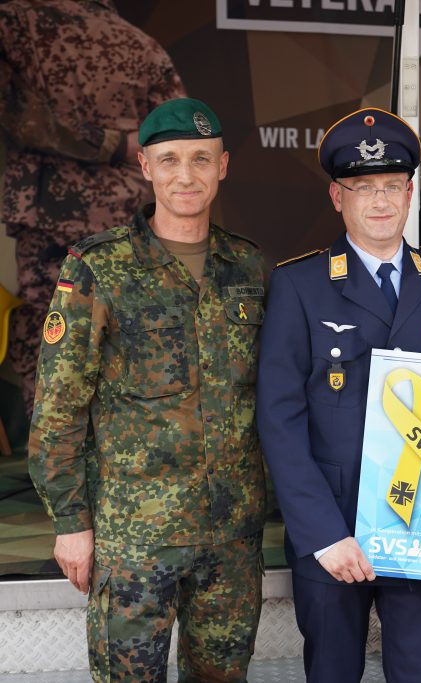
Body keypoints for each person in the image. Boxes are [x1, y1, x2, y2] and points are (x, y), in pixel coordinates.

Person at [28, 98, 267, 682]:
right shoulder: (98, 267)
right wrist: (70, 522)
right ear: (145, 166)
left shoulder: (248, 266)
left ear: (223, 166)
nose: (186, 175)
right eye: (169, 160)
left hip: (231, 537)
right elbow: (58, 406)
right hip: (136, 538)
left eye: (201, 159)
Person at [257, 107, 421, 682]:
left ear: (410, 194)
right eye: (362, 187)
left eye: (392, 186)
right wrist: (321, 533)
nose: (380, 201)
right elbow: (279, 419)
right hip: (335, 527)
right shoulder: (300, 284)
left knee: (420, 672)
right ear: (337, 197)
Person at [0, 0, 185, 417]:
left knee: (51, 340)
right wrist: (119, 145)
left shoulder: (15, 22)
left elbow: (18, 116)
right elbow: (179, 138)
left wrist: (103, 143)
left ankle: (56, 453)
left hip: (51, 216)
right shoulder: (143, 44)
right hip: (131, 220)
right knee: (130, 340)